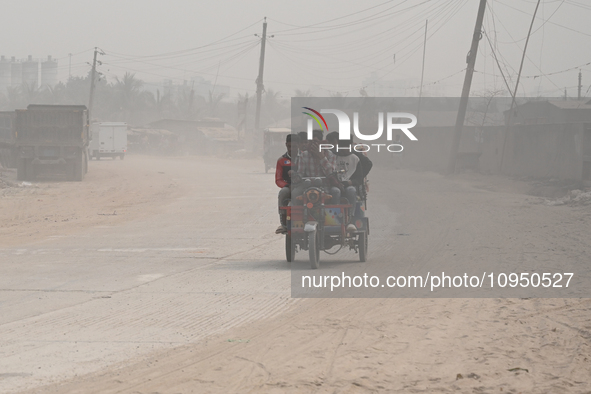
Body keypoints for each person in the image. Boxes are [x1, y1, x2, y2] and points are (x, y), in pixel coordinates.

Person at [291, 129, 341, 205]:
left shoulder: (330, 155)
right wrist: (295, 177)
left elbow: (331, 173)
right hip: (307, 186)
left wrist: (321, 157)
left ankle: (336, 215)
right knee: (294, 193)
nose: (312, 144)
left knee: (336, 192)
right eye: (310, 142)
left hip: (326, 186)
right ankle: (295, 215)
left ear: (321, 142)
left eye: (315, 142)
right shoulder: (304, 155)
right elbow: (300, 173)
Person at [275, 134, 298, 234]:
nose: (291, 149)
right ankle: (283, 223)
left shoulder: (305, 158)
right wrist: (287, 185)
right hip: (289, 186)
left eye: (294, 147)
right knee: (283, 193)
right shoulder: (281, 160)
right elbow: (278, 179)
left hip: (303, 185)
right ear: (286, 145)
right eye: (289, 146)